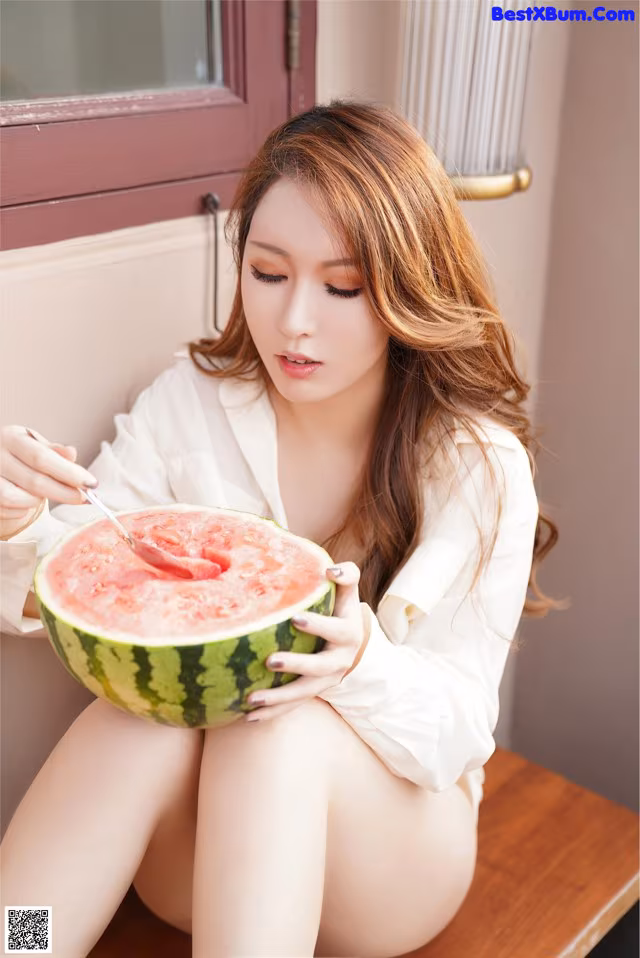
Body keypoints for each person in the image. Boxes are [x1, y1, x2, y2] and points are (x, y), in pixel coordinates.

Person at [0, 100, 560, 958]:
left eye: (342, 288)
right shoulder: (188, 404)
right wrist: (17, 525)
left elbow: (457, 730)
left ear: (408, 289)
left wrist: (359, 667)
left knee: (282, 724)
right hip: (206, 871)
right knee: (132, 718)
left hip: (388, 860)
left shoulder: (477, 466)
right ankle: (20, 944)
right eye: (267, 273)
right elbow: (82, 570)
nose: (295, 322)